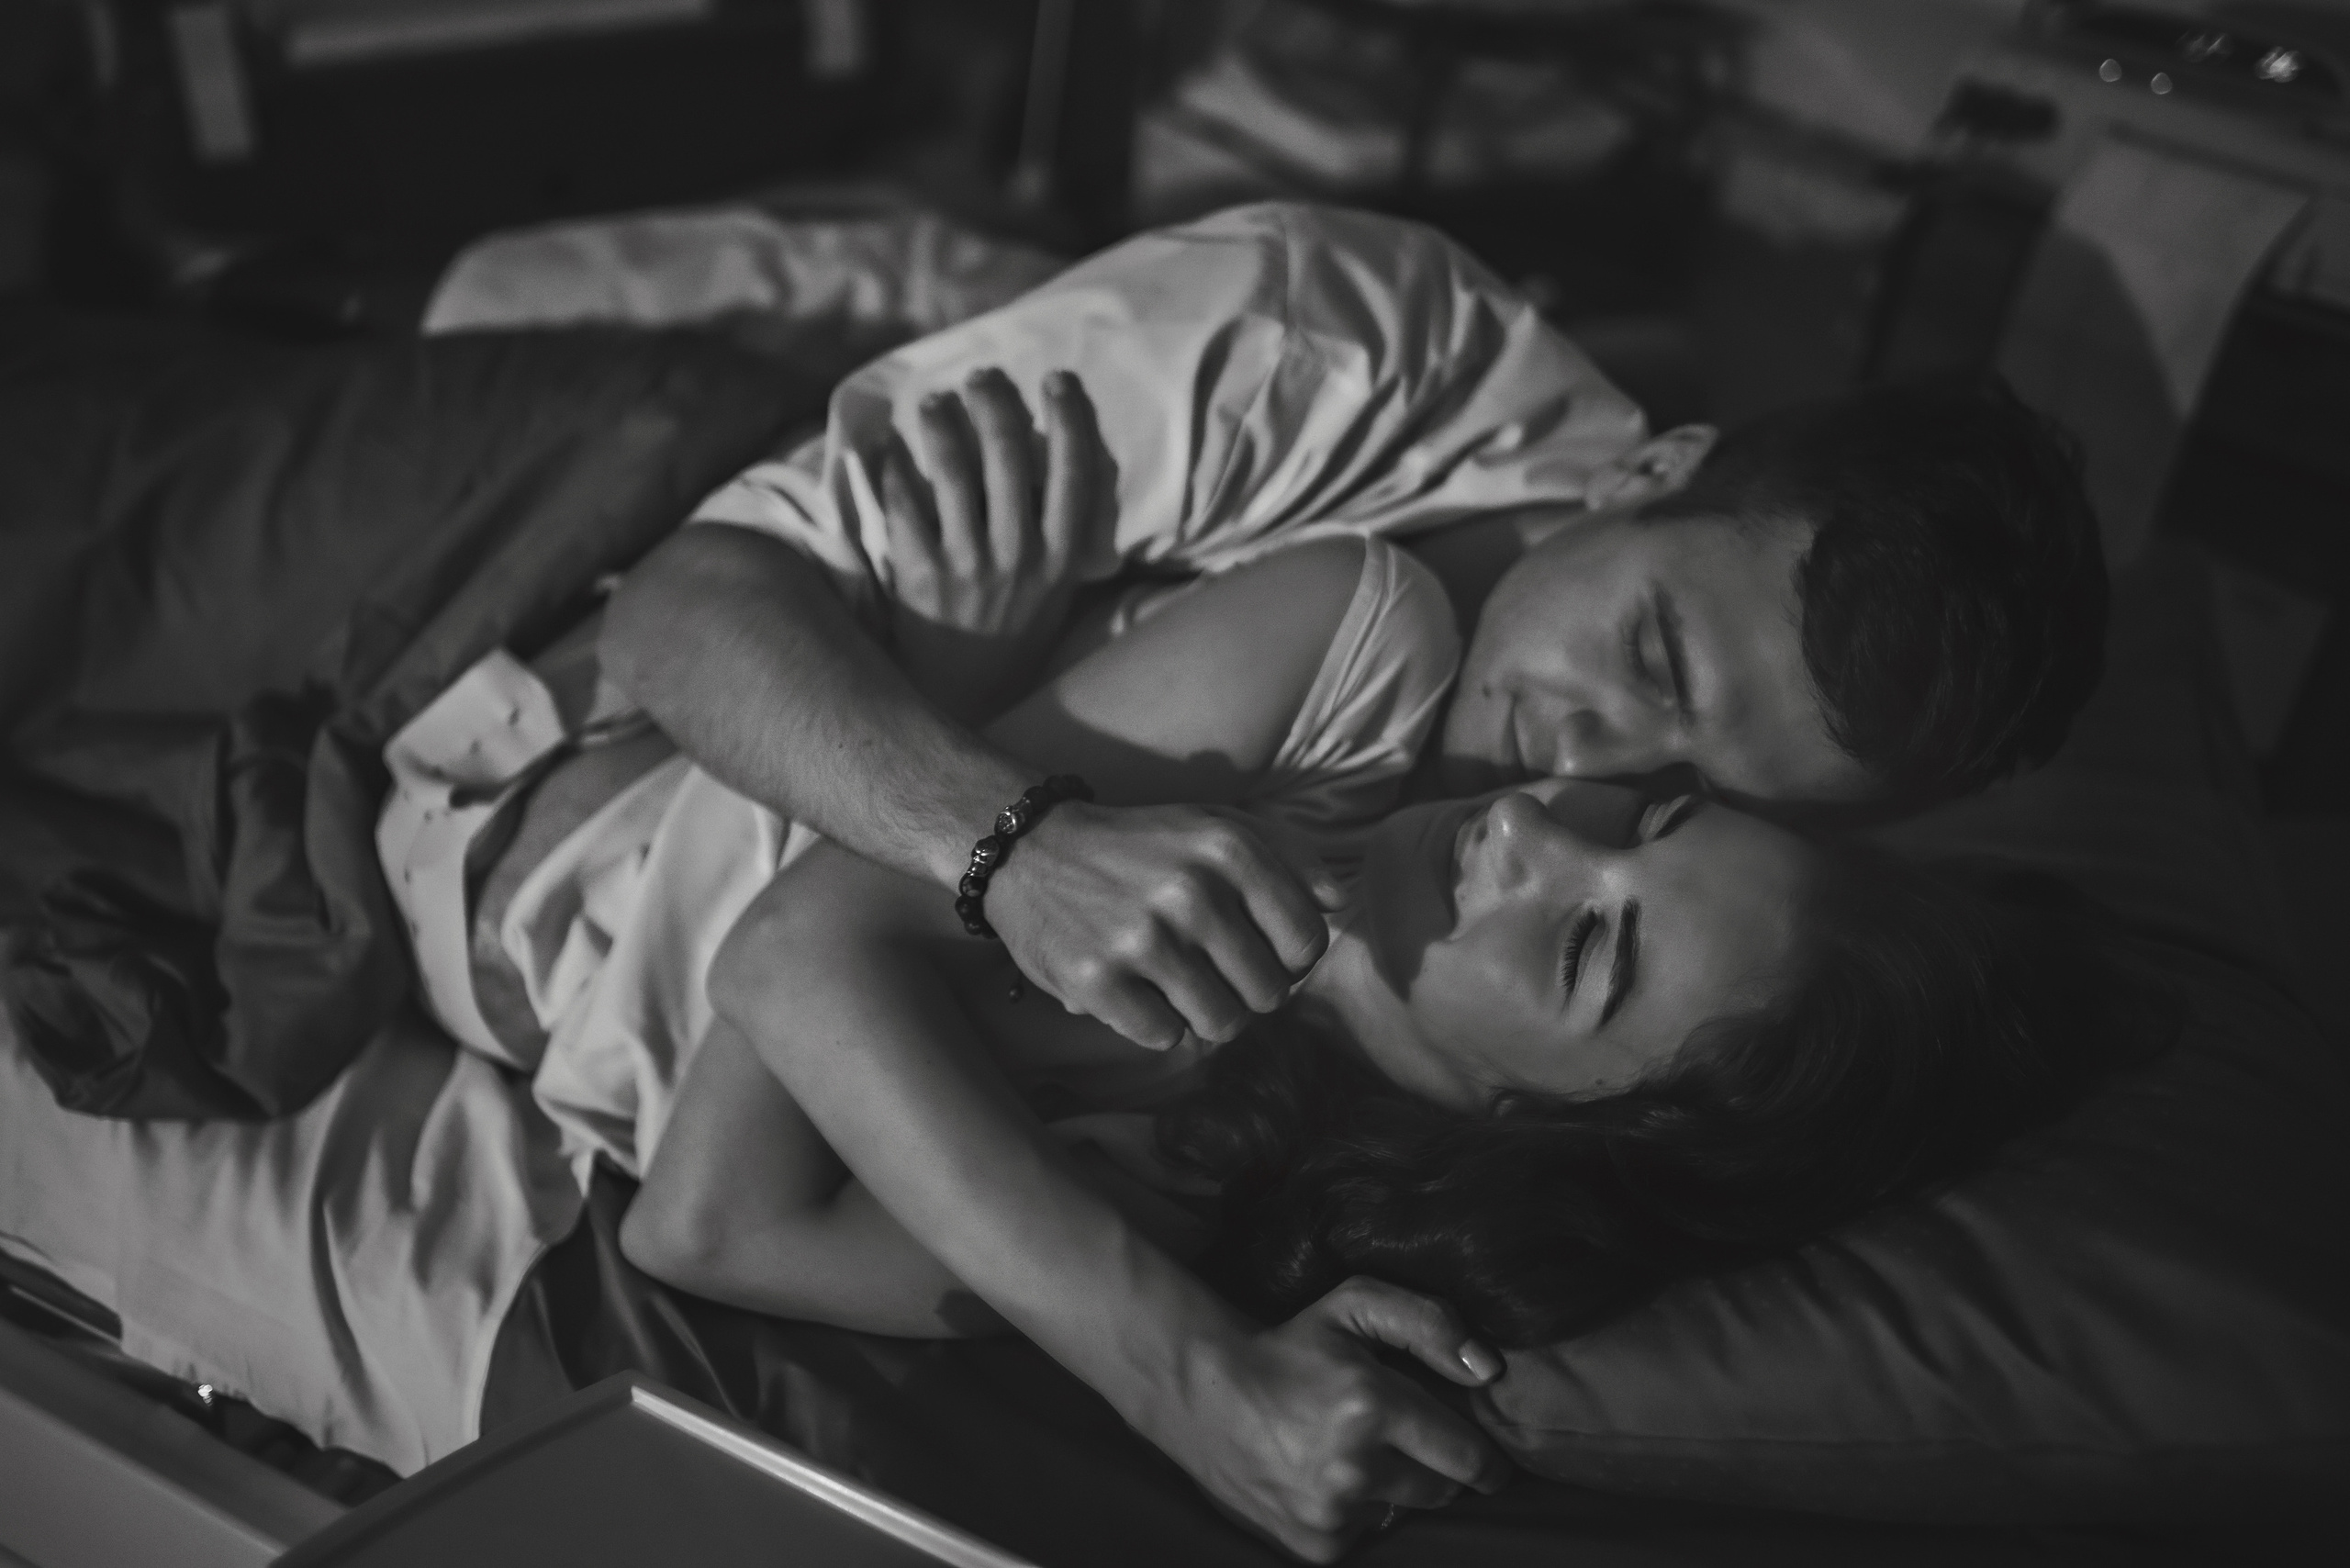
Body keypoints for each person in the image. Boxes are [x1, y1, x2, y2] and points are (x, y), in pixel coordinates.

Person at [613, 522, 2138, 1562]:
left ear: (1539, 1118)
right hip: (610, 656)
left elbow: (707, 1222)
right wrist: (942, 719)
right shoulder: (1347, 699)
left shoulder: (1177, 1181)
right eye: (1650, 815)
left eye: (1586, 948)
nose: (1535, 829)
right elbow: (803, 939)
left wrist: (1176, 1349)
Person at [597, 202, 2109, 1069]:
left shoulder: (1563, 921)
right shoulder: (1317, 353)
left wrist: (956, 675)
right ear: (1651, 473)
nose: (1584, 771)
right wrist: (1011, 835)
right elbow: (681, 615)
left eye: (1695, 797)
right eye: (1651, 660)